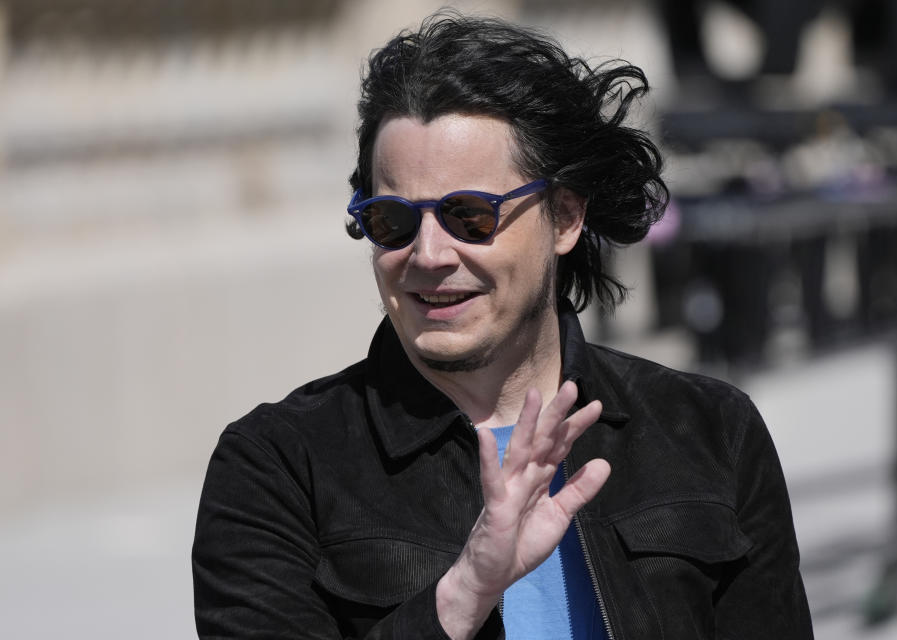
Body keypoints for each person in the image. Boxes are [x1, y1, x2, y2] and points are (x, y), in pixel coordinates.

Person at [192, 11, 813, 640]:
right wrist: (462, 595)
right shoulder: (277, 466)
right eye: (393, 221)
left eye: (470, 215)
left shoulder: (710, 432)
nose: (429, 255)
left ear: (565, 217)